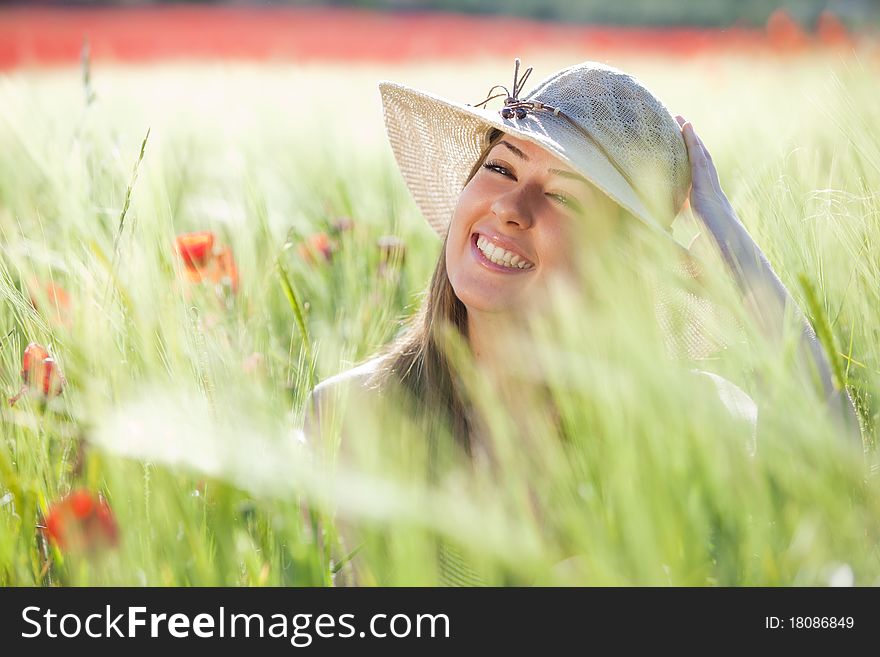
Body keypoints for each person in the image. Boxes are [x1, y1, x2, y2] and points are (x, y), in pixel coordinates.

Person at [302, 59, 863, 585]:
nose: (510, 207)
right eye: (500, 167)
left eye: (564, 199)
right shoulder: (353, 416)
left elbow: (831, 470)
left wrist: (722, 226)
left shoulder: (697, 422)